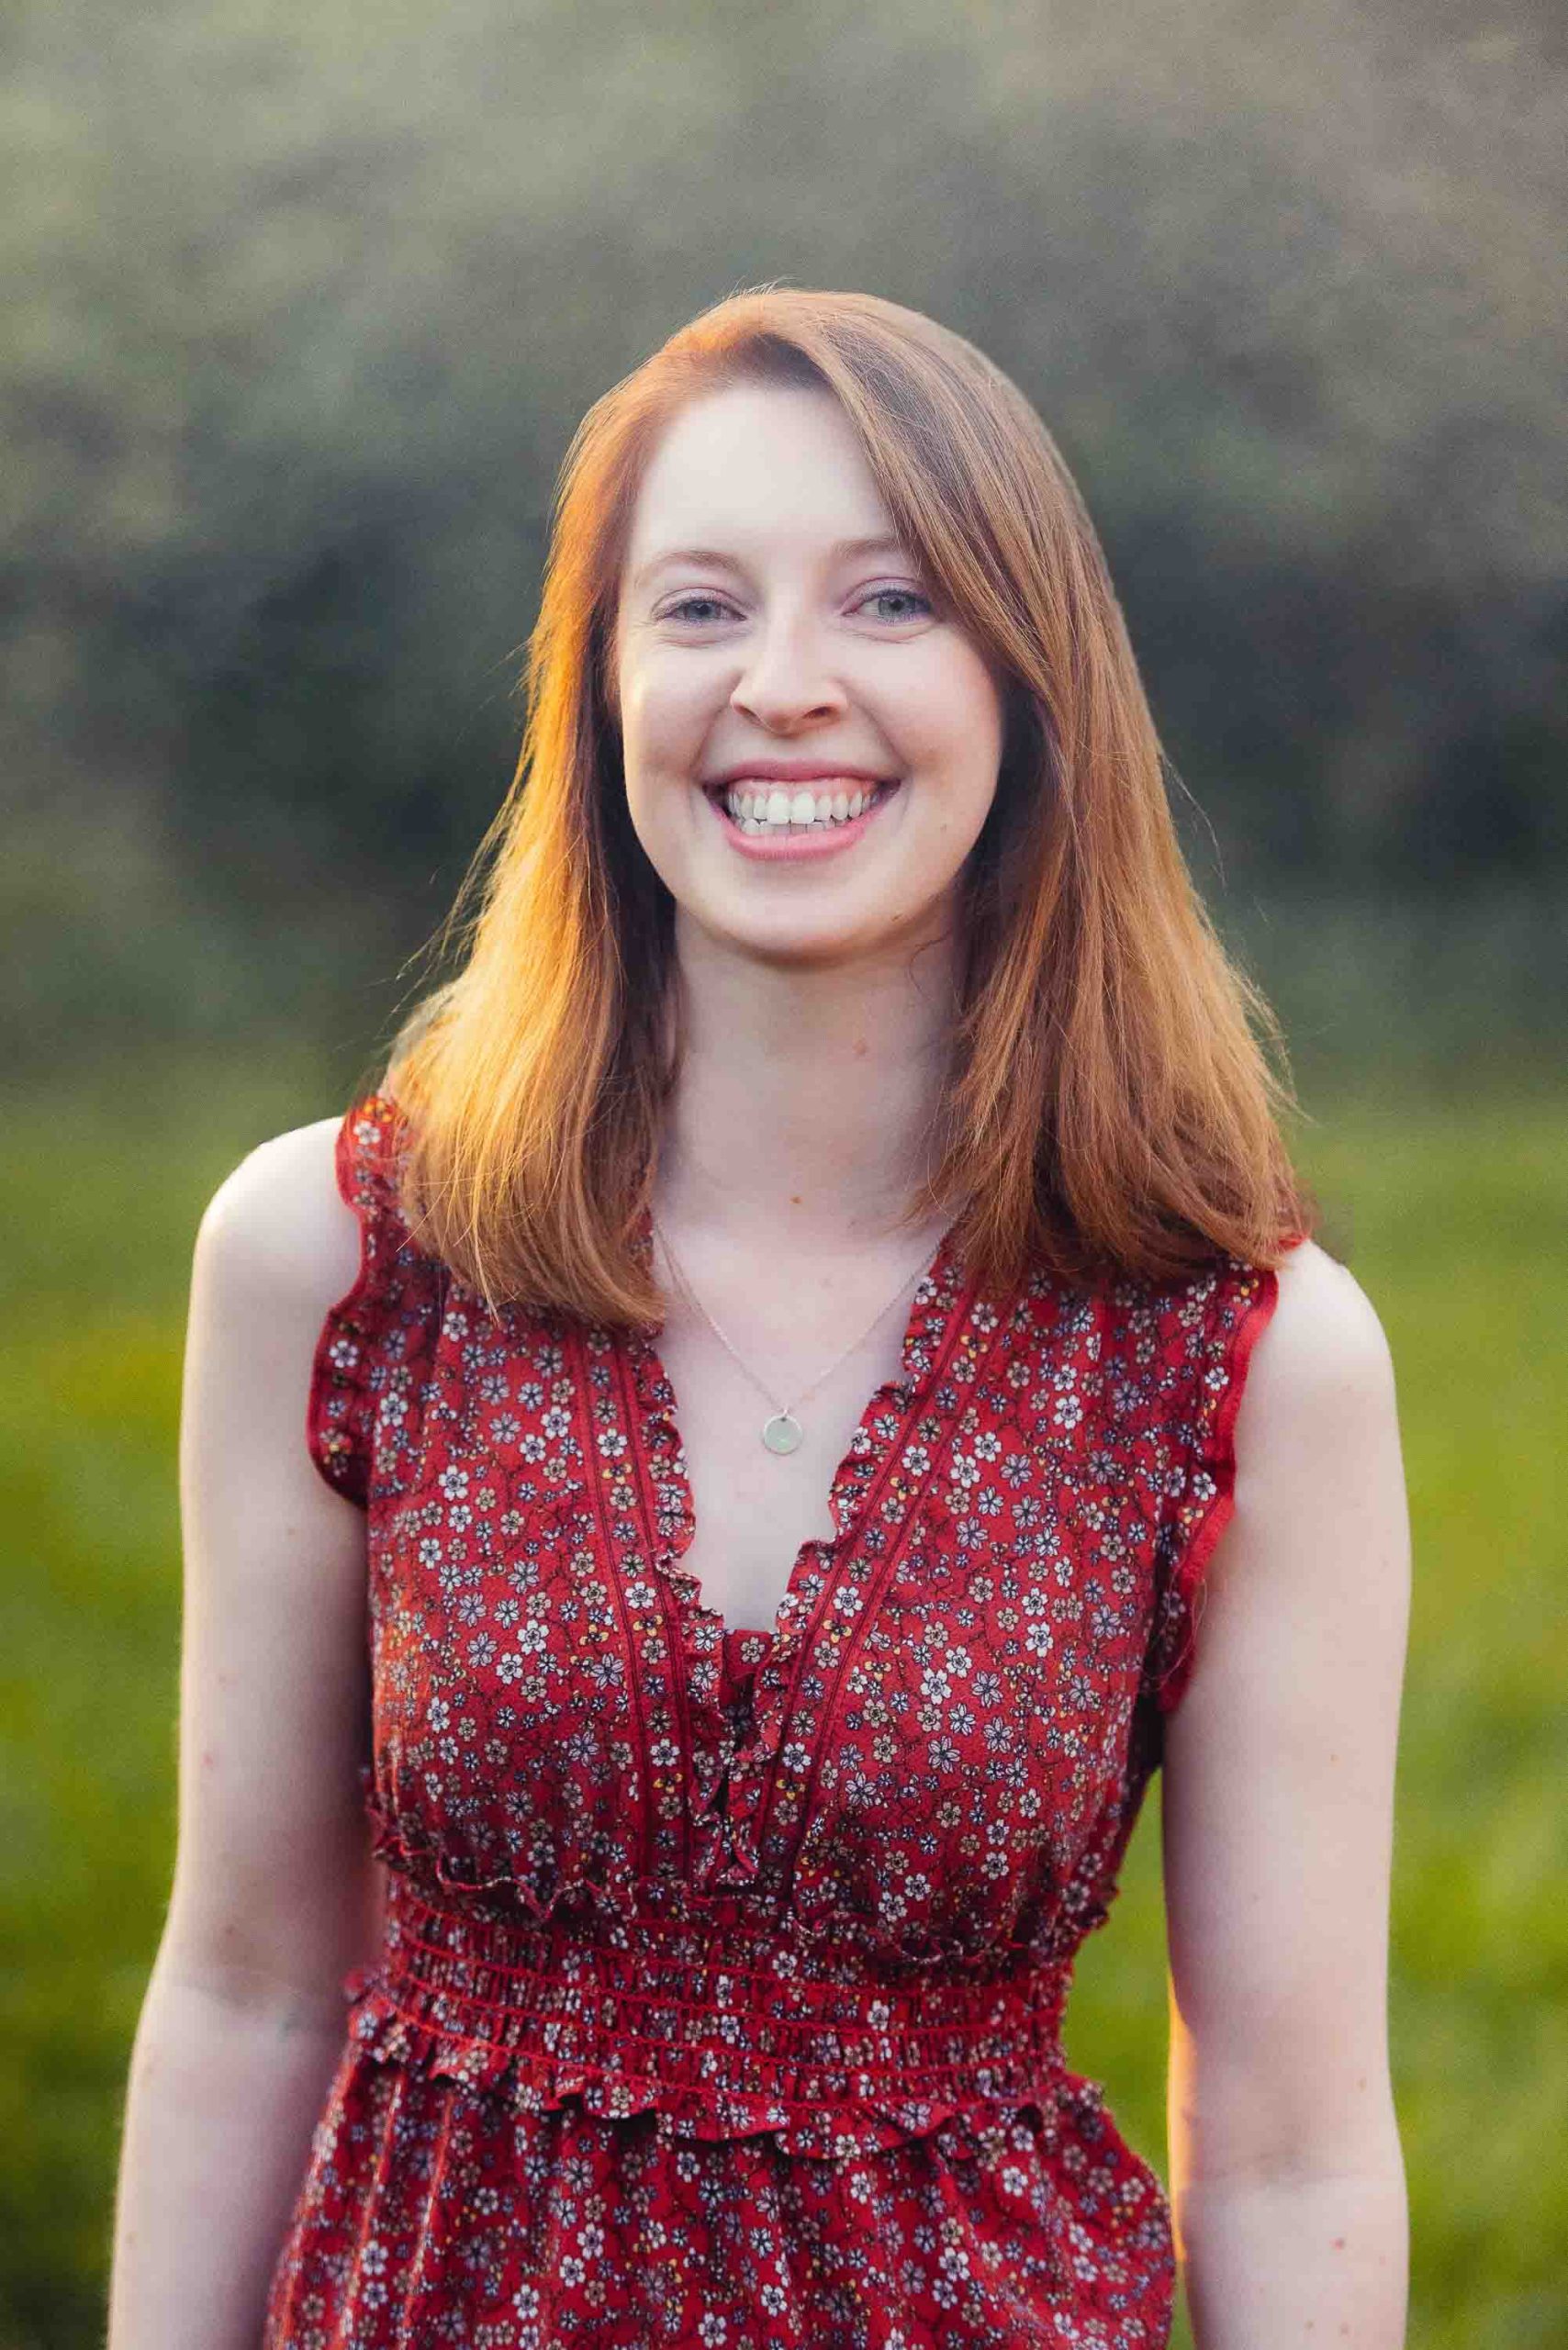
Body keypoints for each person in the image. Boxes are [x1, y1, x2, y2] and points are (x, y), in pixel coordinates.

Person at [107, 287, 1411, 2349]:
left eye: (888, 602)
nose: (780, 687)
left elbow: (1284, 2136)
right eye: (698, 607)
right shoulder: (342, 1253)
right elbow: (249, 1972)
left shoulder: (1238, 1351)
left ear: (1025, 685)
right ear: (601, 686)